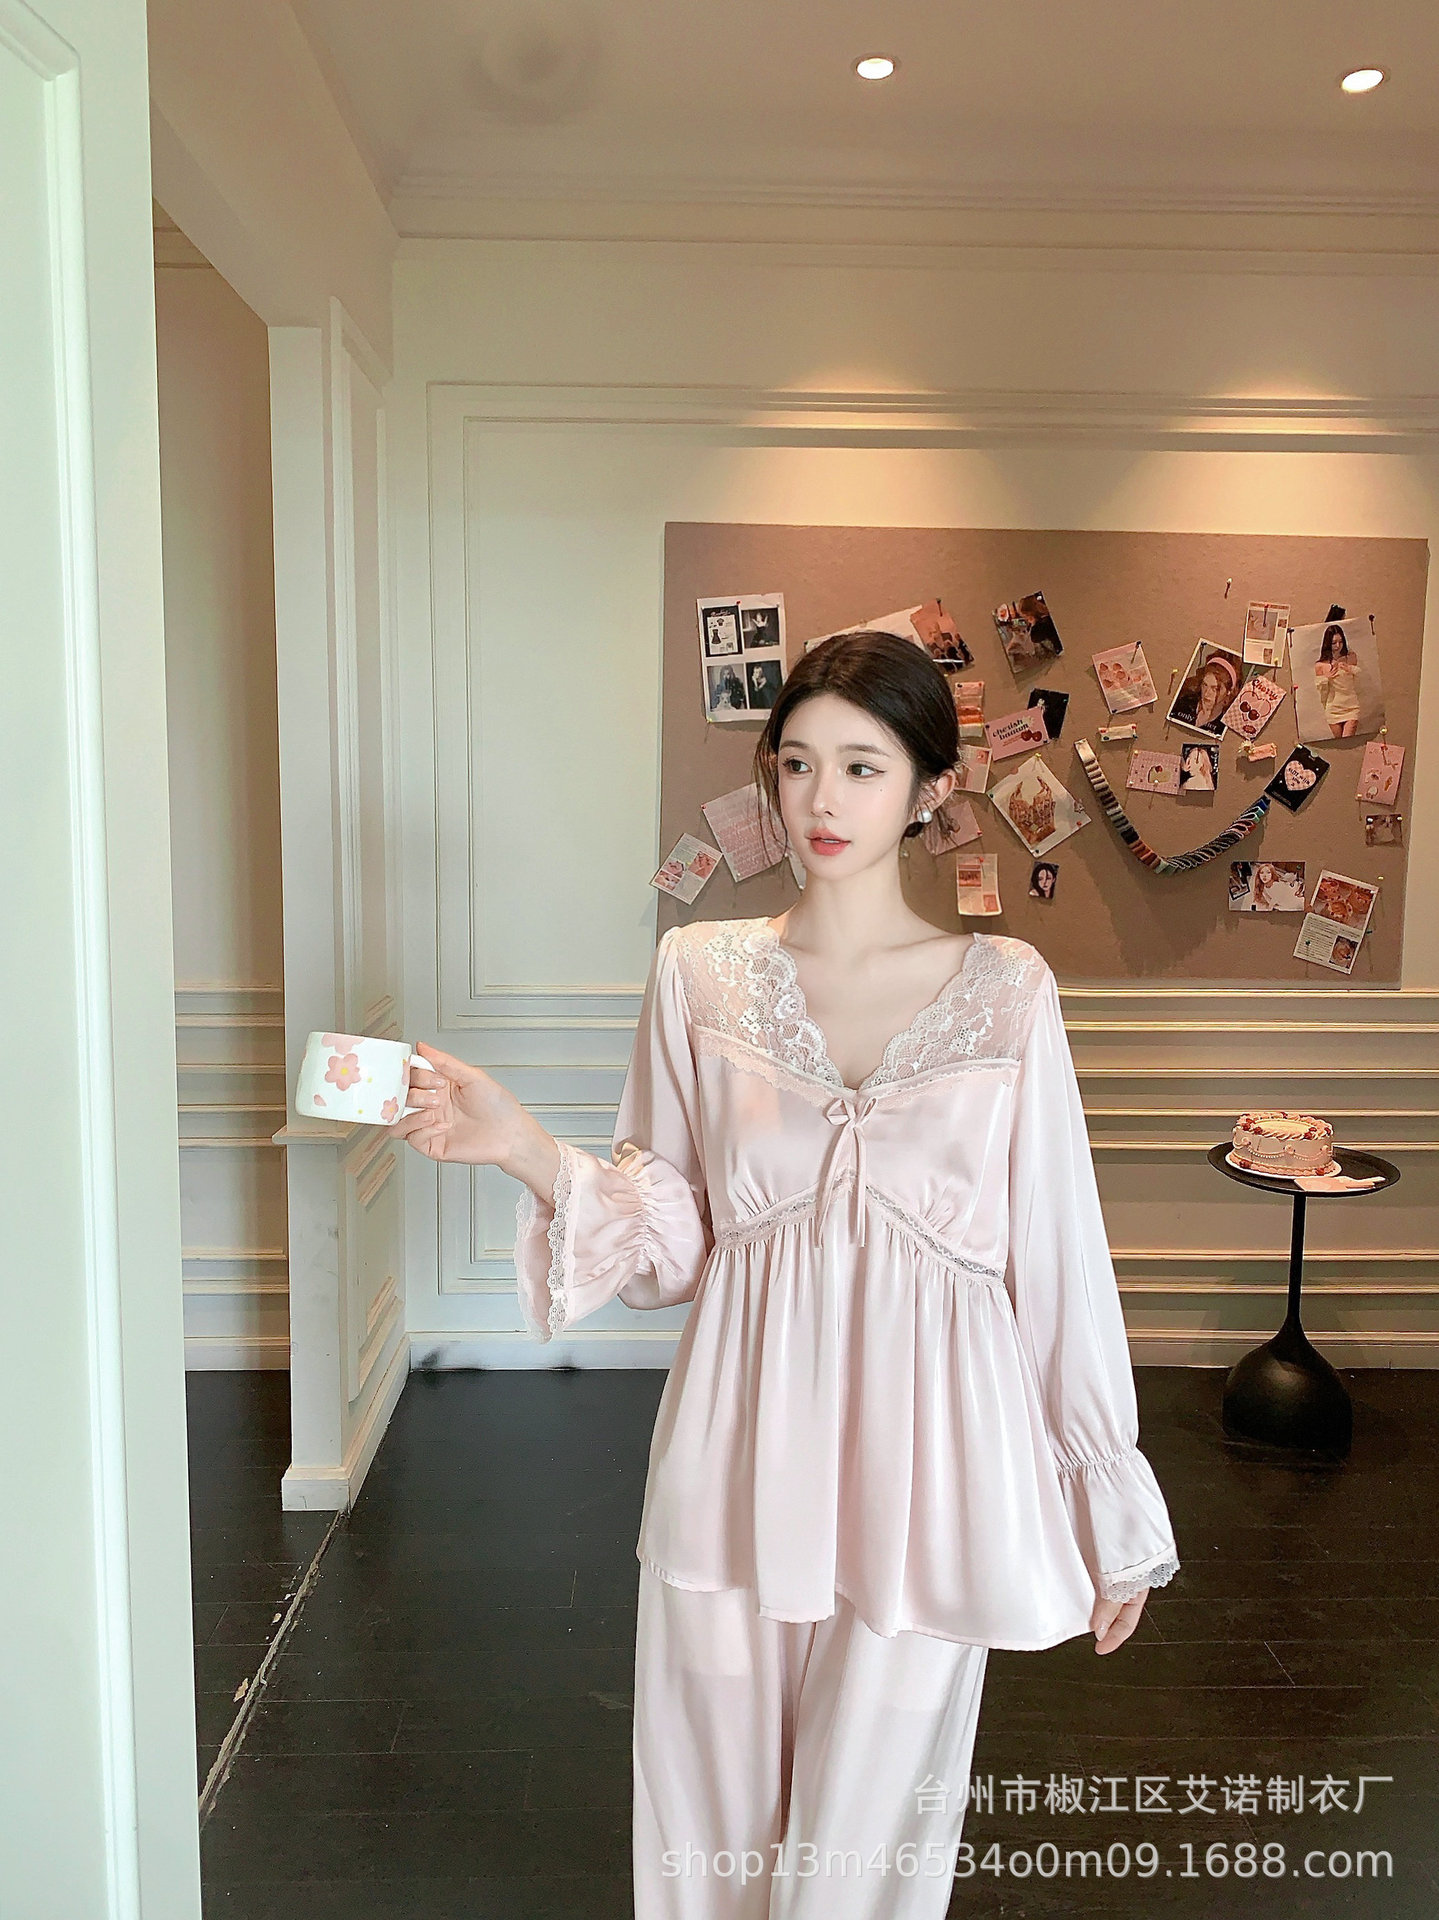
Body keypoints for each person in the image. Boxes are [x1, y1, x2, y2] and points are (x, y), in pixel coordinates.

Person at [390, 630, 1181, 1920]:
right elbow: (674, 1246)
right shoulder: (700, 973)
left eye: (862, 766)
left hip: (930, 1474)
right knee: (709, 1827)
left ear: (928, 787)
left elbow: (1055, 1260)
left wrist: (1103, 1503)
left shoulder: (1006, 992)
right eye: (797, 762)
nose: (822, 797)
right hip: (737, 1455)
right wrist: (522, 1148)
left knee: (869, 1849)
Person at [1315, 623, 1361, 739]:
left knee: (1347, 739)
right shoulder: (1321, 665)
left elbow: (1360, 682)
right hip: (1333, 708)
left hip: (1351, 706)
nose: (1338, 646)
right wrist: (1326, 678)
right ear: (1327, 644)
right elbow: (1322, 693)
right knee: (1339, 742)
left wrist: (1350, 669)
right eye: (1334, 643)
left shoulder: (1351, 657)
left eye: (1341, 642)